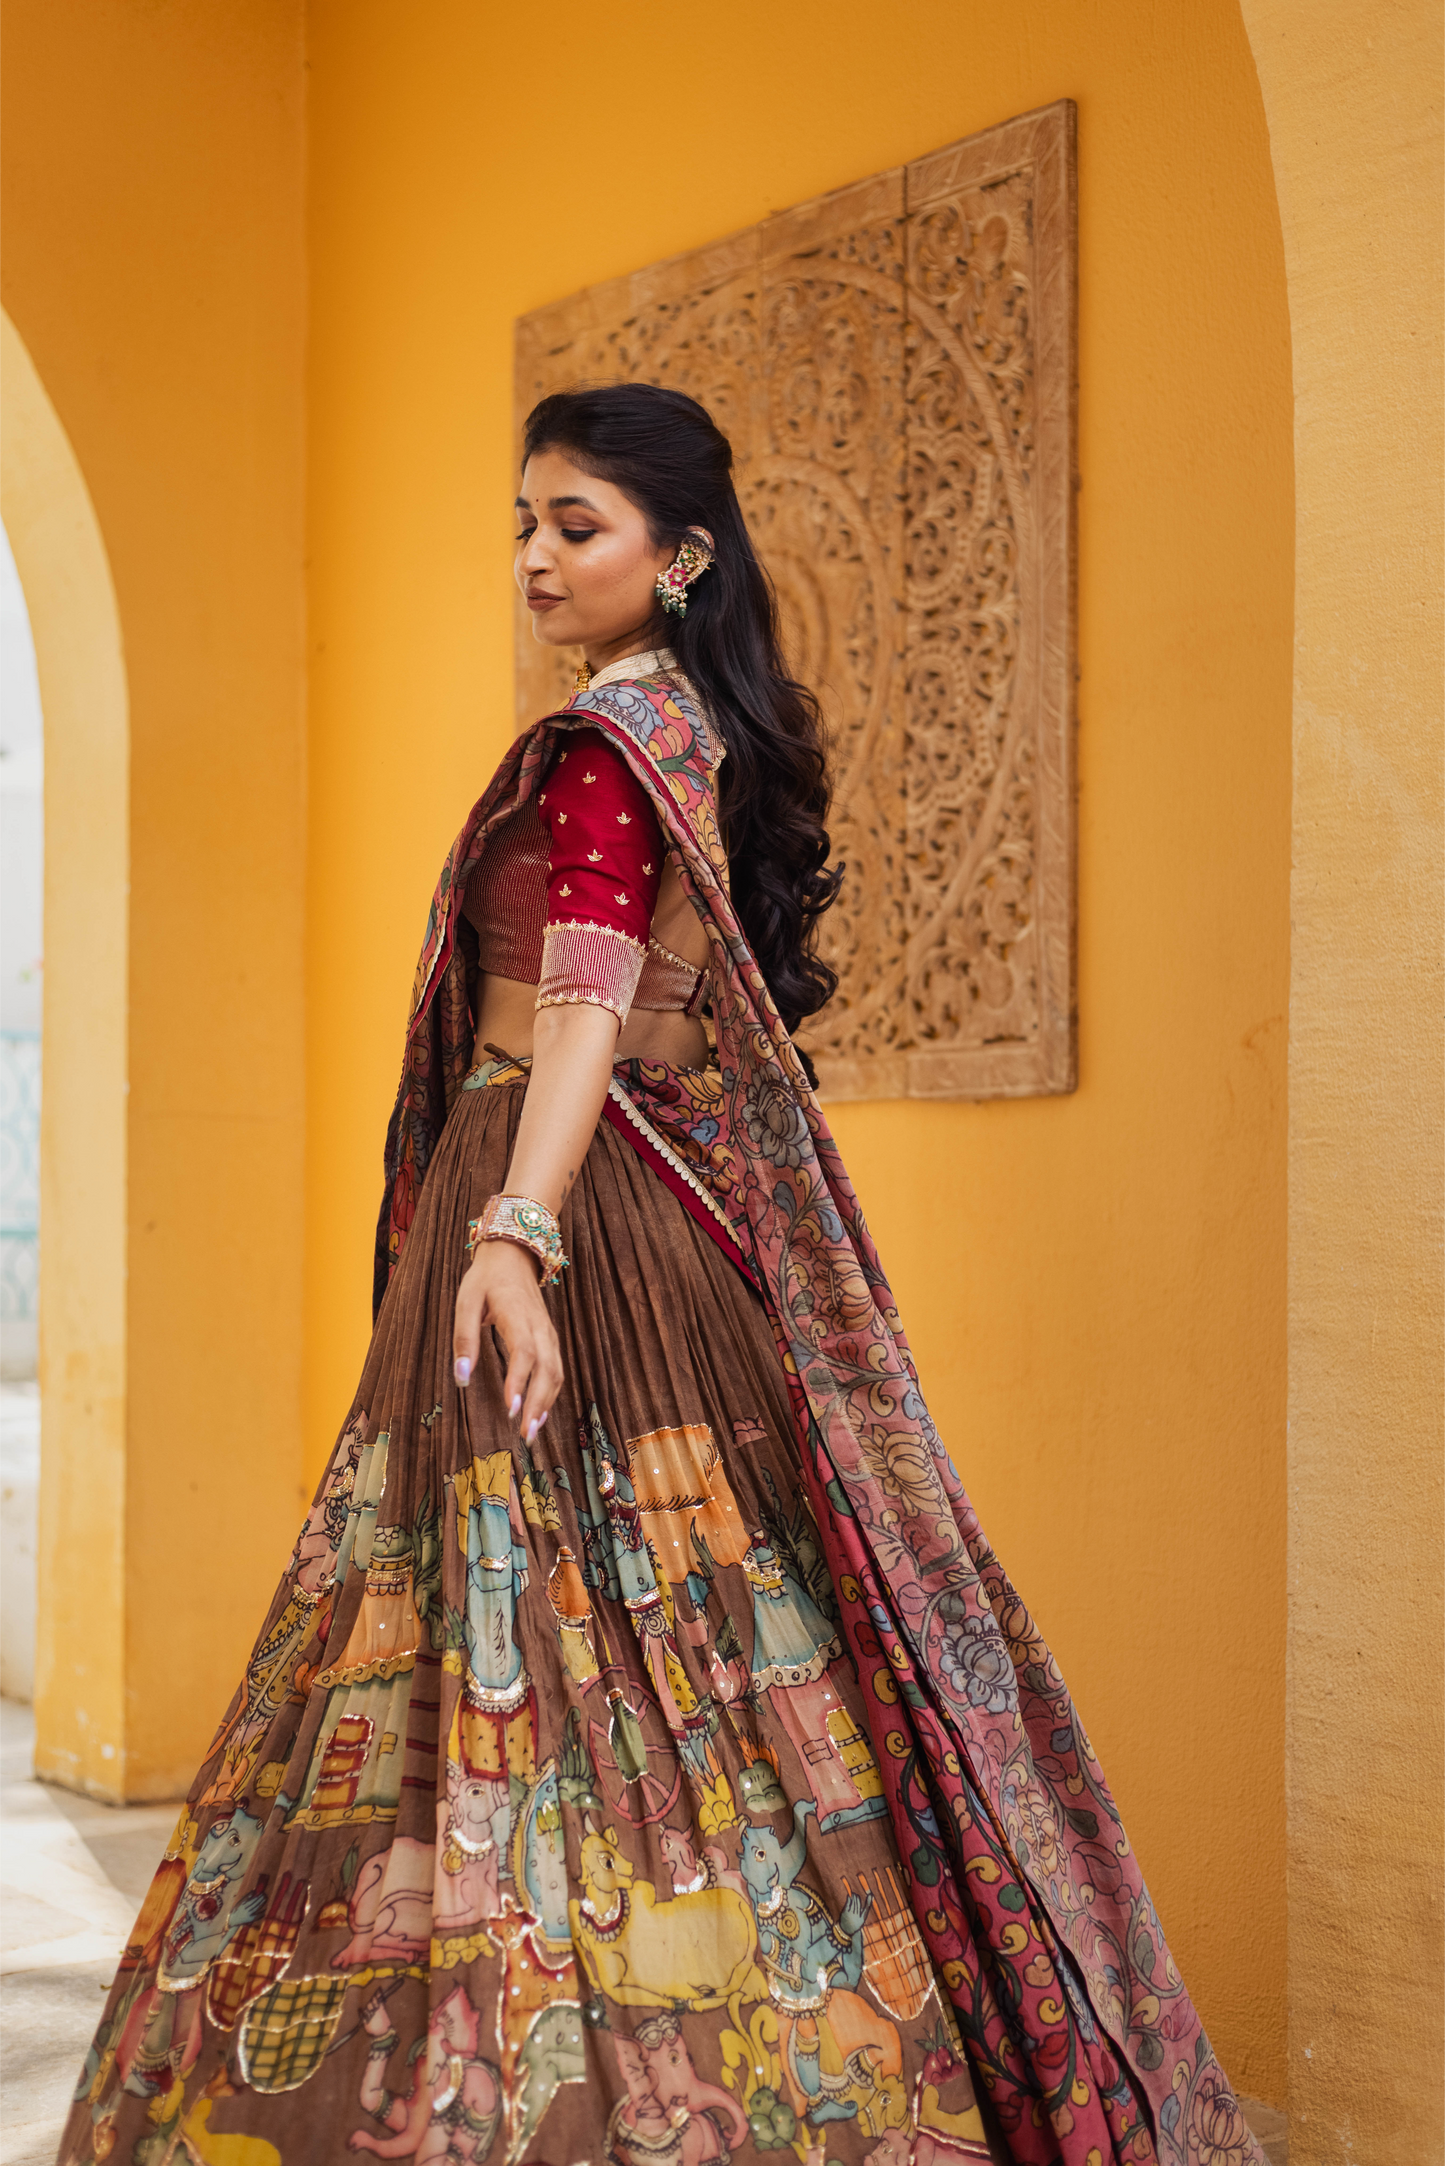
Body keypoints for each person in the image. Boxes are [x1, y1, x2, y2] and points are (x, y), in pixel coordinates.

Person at [60, 385, 1263, 2166]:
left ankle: (539, 2082)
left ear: (678, 555)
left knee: (521, 1614)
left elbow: (592, 994)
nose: (537, 558)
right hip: (661, 1209)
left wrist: (514, 1229)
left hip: (573, 1201)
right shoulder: (692, 733)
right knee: (675, 1617)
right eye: (525, 525)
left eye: (578, 525)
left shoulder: (610, 749)